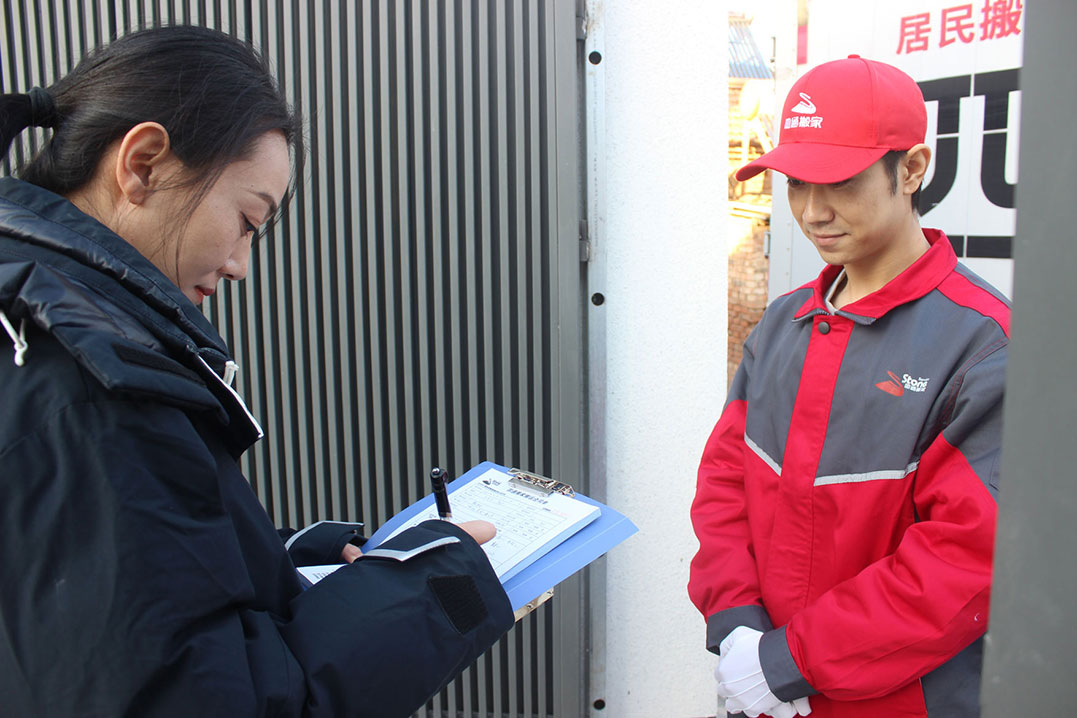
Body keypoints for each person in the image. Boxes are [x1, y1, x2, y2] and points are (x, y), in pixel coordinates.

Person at [0, 25, 512, 717]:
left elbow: (114, 604)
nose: (241, 264)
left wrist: (289, 557)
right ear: (143, 164)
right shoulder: (94, 392)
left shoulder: (35, 327)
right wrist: (434, 585)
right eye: (247, 220)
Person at [689, 55, 1009, 718]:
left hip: (898, 702)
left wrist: (787, 662)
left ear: (911, 170)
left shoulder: (983, 345)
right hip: (764, 680)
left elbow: (964, 561)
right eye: (796, 183)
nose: (812, 211)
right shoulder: (784, 322)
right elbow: (725, 480)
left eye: (839, 181)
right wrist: (737, 623)